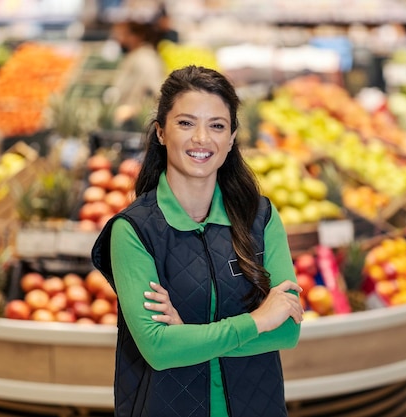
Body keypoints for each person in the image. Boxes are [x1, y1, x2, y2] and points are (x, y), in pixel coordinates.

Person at [92, 65, 304, 417]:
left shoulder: (260, 218)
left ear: (233, 137)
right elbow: (159, 349)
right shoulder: (133, 231)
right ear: (161, 132)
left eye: (217, 125)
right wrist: (258, 321)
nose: (202, 139)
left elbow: (287, 331)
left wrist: (189, 336)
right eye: (186, 123)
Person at [106, 16, 166, 125]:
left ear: (137, 36)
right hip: (124, 115)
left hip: (136, 121)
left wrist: (135, 110)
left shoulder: (146, 59)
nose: (119, 39)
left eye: (122, 34)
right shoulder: (134, 55)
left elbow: (156, 91)